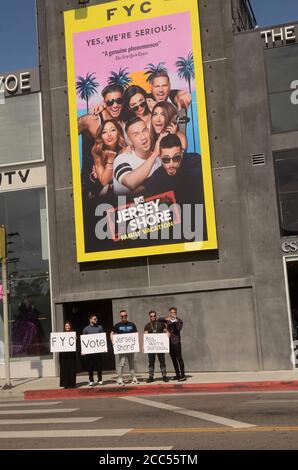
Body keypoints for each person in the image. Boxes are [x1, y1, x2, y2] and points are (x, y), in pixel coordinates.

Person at [113, 117, 161, 195]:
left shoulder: (159, 160)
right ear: (129, 141)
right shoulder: (121, 159)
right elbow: (131, 182)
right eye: (136, 134)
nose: (143, 137)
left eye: (144, 131)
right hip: (125, 205)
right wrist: (155, 154)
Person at [89, 119, 126, 198]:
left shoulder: (125, 150)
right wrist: (110, 160)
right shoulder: (98, 154)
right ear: (101, 136)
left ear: (118, 133)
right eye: (104, 132)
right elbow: (104, 181)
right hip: (101, 196)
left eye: (112, 130)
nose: (109, 135)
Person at [110, 309, 139, 385]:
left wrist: (136, 343)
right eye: (122, 316)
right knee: (121, 363)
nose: (124, 317)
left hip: (130, 348)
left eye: (125, 315)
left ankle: (133, 377)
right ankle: (119, 378)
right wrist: (113, 342)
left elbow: (136, 334)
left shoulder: (132, 324)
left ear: (127, 316)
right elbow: (111, 333)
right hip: (122, 349)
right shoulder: (117, 325)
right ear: (120, 316)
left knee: (131, 363)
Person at [160, 307, 186, 381]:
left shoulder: (179, 321)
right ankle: (177, 375)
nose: (173, 314)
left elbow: (178, 329)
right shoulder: (168, 321)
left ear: (176, 313)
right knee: (173, 359)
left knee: (179, 358)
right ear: (169, 313)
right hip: (169, 343)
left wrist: (176, 321)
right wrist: (166, 319)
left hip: (176, 342)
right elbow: (159, 320)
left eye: (174, 312)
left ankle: (183, 375)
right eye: (171, 312)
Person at [143, 310, 169, 383]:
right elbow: (145, 336)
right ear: (149, 317)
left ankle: (164, 376)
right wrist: (144, 346)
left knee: (162, 361)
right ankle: (151, 377)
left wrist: (168, 333)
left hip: (160, 347)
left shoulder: (161, 324)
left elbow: (166, 331)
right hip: (151, 348)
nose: (153, 317)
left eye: (154, 316)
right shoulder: (147, 325)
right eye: (151, 316)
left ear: (156, 316)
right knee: (151, 362)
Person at [82, 314, 104, 386]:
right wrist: (83, 350)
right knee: (90, 366)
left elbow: (102, 339)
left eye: (96, 319)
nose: (96, 320)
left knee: (99, 366)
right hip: (90, 352)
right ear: (90, 320)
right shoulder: (86, 329)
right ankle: (91, 380)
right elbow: (84, 341)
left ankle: (100, 379)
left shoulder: (100, 327)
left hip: (98, 351)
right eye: (94, 319)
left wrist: (104, 347)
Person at [59, 321, 76, 389]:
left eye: (68, 326)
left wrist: (75, 339)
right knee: (64, 369)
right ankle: (65, 384)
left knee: (71, 369)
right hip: (63, 355)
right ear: (64, 327)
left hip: (71, 355)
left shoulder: (73, 334)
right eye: (66, 326)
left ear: (70, 327)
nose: (67, 327)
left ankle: (71, 384)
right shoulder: (61, 335)